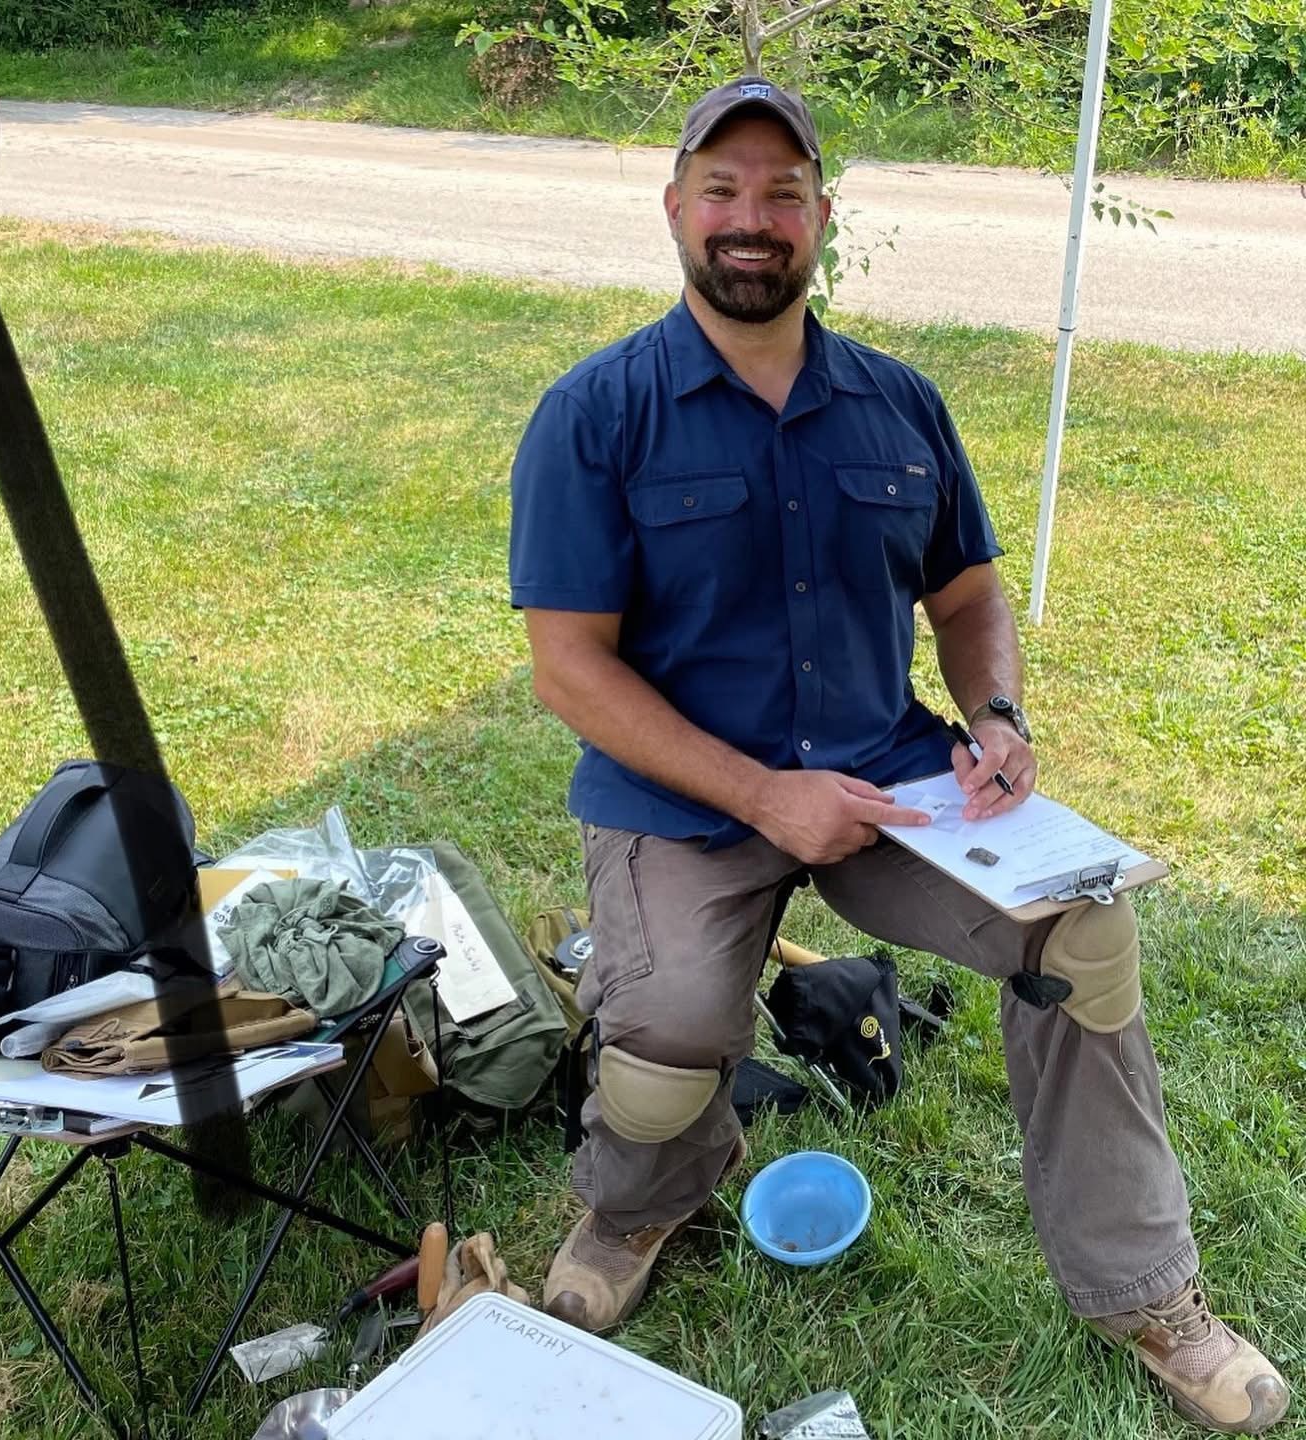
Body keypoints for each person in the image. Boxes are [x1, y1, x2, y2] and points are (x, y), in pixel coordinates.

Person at [507, 76, 1289, 1434]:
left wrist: (997, 721)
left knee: (1085, 936)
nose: (752, 221)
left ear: (822, 217)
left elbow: (971, 595)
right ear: (676, 208)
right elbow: (569, 665)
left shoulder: (899, 404)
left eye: (783, 195)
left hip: (887, 784)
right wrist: (762, 796)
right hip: (681, 801)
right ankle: (635, 1208)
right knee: (665, 1045)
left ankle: (1145, 1291)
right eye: (724, 192)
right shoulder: (595, 415)